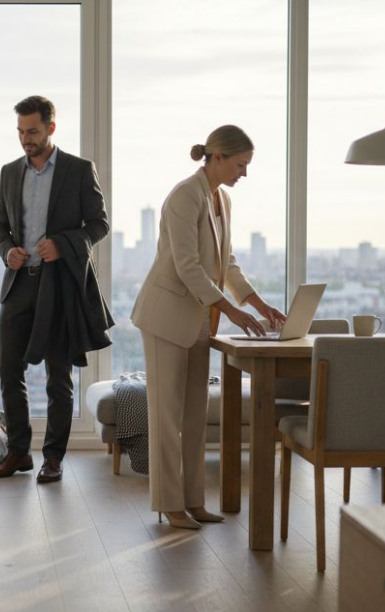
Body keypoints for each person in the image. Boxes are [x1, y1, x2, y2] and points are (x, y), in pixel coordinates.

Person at [130, 125, 286, 528]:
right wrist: (234, 312)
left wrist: (256, 301)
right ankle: (169, 503)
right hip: (167, 317)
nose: (244, 173)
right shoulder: (185, 196)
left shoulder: (222, 200)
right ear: (217, 157)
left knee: (195, 417)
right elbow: (188, 267)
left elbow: (225, 262)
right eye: (240, 164)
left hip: (201, 318)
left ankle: (194, 501)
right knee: (166, 418)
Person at [0, 95, 113, 483]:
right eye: (21, 132)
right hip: (20, 282)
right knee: (10, 371)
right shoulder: (9, 172)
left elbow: (99, 224)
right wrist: (7, 251)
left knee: (58, 377)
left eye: (33, 131)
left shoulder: (78, 170)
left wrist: (64, 243)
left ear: (51, 128)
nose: (26, 139)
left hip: (60, 286)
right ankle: (19, 453)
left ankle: (53, 458)